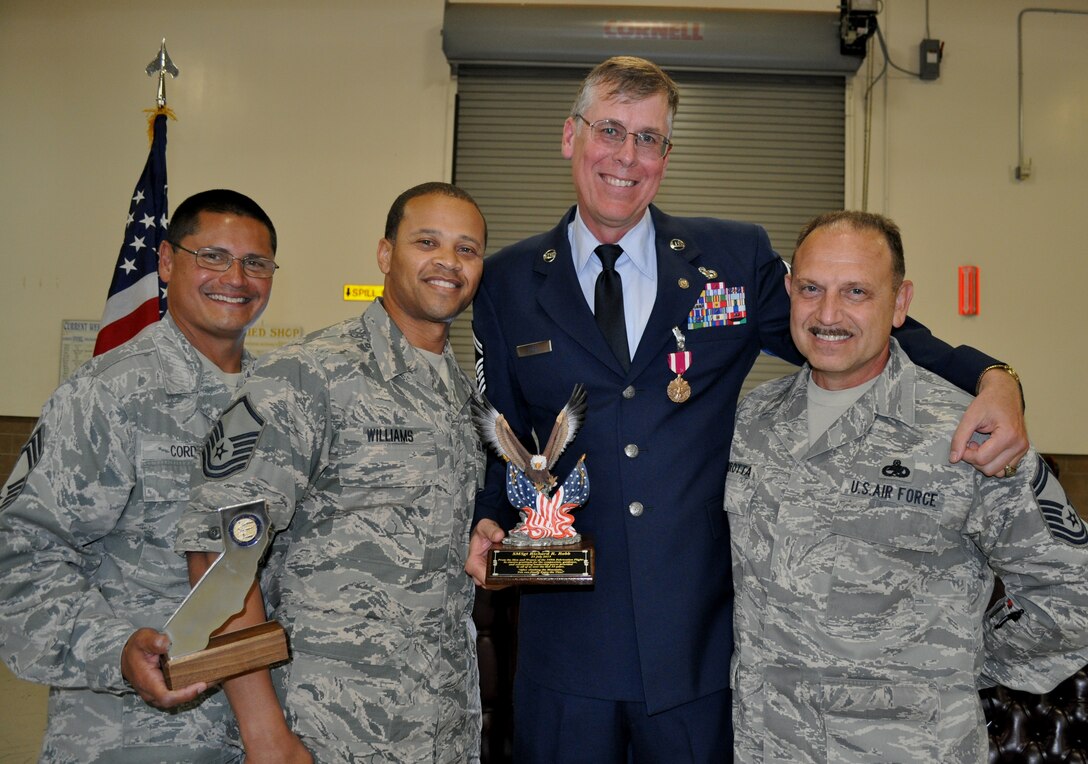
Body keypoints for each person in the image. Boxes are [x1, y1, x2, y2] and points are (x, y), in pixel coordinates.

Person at [466, 56, 1030, 762]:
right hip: (566, 648)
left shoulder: (728, 260)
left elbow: (854, 333)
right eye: (611, 130)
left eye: (650, 139)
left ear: (666, 157)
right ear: (570, 136)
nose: (627, 156)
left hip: (698, 652)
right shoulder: (509, 282)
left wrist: (989, 375)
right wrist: (489, 514)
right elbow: (501, 434)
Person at [726, 210, 1088, 762]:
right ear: (788, 294)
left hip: (908, 746)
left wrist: (965, 657)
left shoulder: (966, 431)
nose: (828, 314)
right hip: (768, 744)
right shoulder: (754, 420)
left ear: (900, 303)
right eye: (811, 289)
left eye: (856, 292)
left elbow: (1071, 590)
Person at [174, 182, 487, 763]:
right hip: (326, 733)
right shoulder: (304, 376)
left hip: (443, 730)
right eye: (427, 242)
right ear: (385, 254)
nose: (448, 261)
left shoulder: (462, 399)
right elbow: (219, 552)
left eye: (467, 249)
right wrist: (266, 736)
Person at [0, 189, 279, 762]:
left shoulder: (280, 402)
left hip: (260, 729)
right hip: (133, 733)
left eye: (256, 263)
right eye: (213, 257)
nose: (236, 277)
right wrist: (115, 649)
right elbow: (22, 557)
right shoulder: (106, 396)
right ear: (167, 261)